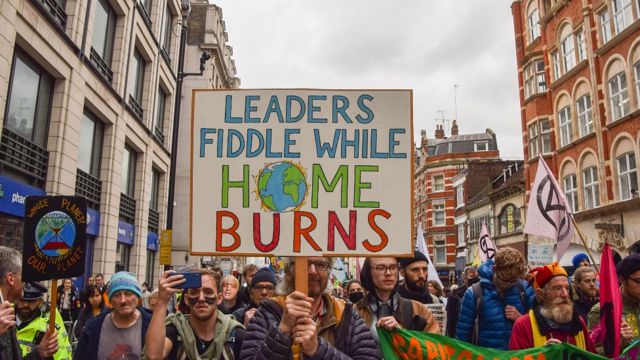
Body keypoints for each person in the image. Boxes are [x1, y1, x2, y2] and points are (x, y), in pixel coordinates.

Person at [239, 257, 379, 359]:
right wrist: (281, 331)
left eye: (320, 264)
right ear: (289, 271)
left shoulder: (346, 314)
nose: (312, 271)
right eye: (305, 263)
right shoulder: (266, 312)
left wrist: (318, 350)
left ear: (329, 272)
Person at [145, 268, 244, 359]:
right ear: (187, 299)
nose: (201, 298)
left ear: (219, 298)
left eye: (208, 292)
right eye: (194, 292)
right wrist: (162, 301)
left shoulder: (235, 334)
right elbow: (154, 356)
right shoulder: (175, 330)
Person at [355, 257, 439, 353]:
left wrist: (403, 335)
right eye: (381, 268)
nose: (388, 273)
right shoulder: (355, 311)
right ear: (368, 272)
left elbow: (435, 350)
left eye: (393, 267)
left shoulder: (419, 309)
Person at [456, 247, 534, 350]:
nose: (509, 283)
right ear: (494, 269)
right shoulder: (474, 293)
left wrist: (520, 319)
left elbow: (539, 326)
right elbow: (462, 337)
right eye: (506, 279)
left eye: (513, 280)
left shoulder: (524, 289)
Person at [509, 262, 596, 353]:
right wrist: (543, 355)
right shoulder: (524, 325)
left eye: (567, 288)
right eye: (557, 288)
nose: (565, 294)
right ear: (541, 294)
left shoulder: (578, 322)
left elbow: (592, 356)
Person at [74, 271, 152, 359]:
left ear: (138, 297)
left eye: (128, 293)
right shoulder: (93, 327)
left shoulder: (152, 324)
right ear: (110, 300)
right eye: (117, 295)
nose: (123, 300)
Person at [0, 246, 58, 360]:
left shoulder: (7, 310)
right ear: (11, 278)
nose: (26, 283)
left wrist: (40, 352)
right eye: (24, 276)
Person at [588, 254, 640, 352]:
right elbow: (592, 352)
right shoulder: (602, 310)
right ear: (622, 279)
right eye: (638, 281)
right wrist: (620, 345)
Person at [15, 282, 72, 359]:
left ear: (40, 301)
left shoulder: (49, 328)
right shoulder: (3, 318)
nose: (25, 305)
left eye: (32, 301)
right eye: (22, 300)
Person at [446, 266, 479, 337]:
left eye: (475, 276)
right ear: (465, 279)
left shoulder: (482, 294)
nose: (474, 279)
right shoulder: (454, 295)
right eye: (471, 276)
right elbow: (450, 320)